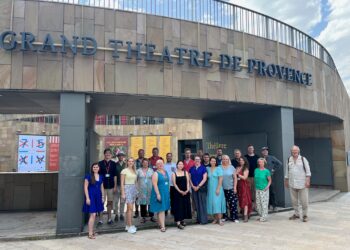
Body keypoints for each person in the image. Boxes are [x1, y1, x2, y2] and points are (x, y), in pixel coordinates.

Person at [284, 145, 311, 222]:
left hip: (302, 183)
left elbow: (308, 171)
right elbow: (287, 170)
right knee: (294, 201)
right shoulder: (289, 159)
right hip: (292, 183)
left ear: (298, 151)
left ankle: (305, 215)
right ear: (291, 152)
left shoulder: (303, 159)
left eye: (296, 151)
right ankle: (296, 214)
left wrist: (308, 180)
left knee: (304, 201)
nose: (294, 152)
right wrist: (286, 180)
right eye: (293, 151)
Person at [83, 163, 104, 239]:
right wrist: (87, 198)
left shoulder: (101, 176)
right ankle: (90, 233)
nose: (95, 168)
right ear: (92, 168)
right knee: (93, 214)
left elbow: (102, 187)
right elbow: (85, 187)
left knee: (95, 215)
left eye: (97, 167)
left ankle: (92, 231)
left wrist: (102, 197)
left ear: (99, 168)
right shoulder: (88, 176)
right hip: (91, 196)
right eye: (94, 167)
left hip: (98, 197)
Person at [150, 159, 171, 232]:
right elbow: (155, 185)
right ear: (156, 165)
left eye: (161, 163)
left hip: (165, 193)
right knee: (161, 210)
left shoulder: (165, 172)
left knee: (161, 209)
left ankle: (159, 224)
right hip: (159, 193)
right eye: (158, 164)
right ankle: (163, 226)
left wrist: (168, 192)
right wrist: (158, 194)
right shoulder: (155, 173)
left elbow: (168, 183)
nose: (160, 165)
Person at [98, 148, 117, 225]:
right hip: (102, 186)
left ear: (111, 155)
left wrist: (115, 186)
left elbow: (115, 175)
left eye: (109, 153)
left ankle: (109, 219)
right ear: (104, 154)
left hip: (111, 186)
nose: (108, 154)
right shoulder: (100, 163)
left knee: (110, 203)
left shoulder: (113, 163)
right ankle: (100, 220)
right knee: (101, 202)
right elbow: (98, 176)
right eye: (106, 153)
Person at [261, 146, 282, 211]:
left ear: (267, 151)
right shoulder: (261, 159)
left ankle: (274, 206)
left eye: (266, 150)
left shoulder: (271, 157)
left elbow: (280, 164)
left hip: (270, 177)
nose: (265, 151)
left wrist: (273, 169)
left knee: (272, 191)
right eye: (264, 150)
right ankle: (267, 205)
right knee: (264, 191)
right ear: (262, 152)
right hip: (263, 178)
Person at [171, 160, 192, 229]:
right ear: (177, 165)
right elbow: (174, 184)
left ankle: (182, 220)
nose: (180, 165)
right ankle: (178, 222)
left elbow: (188, 182)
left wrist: (187, 190)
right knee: (178, 207)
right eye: (179, 164)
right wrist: (180, 191)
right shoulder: (174, 173)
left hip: (186, 192)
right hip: (177, 192)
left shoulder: (186, 172)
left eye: (181, 164)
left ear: (183, 166)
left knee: (184, 206)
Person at [207, 156, 226, 225]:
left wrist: (218, 189)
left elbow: (221, 179)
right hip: (210, 189)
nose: (213, 162)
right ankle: (215, 219)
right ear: (210, 162)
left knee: (217, 203)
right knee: (212, 204)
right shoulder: (208, 169)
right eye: (212, 161)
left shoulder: (219, 169)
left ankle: (220, 219)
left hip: (217, 188)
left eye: (214, 161)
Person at [121, 158, 138, 234]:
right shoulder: (124, 171)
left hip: (133, 189)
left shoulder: (134, 171)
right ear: (127, 162)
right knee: (130, 208)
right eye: (129, 161)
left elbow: (135, 182)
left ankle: (128, 225)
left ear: (133, 162)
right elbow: (122, 183)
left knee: (130, 209)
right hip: (127, 189)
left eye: (132, 161)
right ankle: (130, 226)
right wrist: (123, 193)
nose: (131, 162)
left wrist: (136, 191)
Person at [189, 156, 208, 224]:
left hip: (201, 189)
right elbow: (189, 178)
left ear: (200, 160)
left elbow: (204, 178)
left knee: (202, 204)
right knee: (196, 204)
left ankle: (204, 220)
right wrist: (193, 186)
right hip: (194, 188)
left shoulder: (203, 168)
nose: (197, 160)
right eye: (196, 159)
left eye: (198, 159)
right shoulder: (191, 168)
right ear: (194, 160)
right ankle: (198, 219)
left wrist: (198, 186)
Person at [221, 155, 239, 223]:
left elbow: (235, 178)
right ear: (222, 160)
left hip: (231, 188)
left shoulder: (232, 168)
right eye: (223, 159)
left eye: (226, 159)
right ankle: (225, 217)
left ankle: (234, 217)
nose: (225, 160)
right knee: (223, 204)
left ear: (228, 160)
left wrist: (235, 187)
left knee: (233, 204)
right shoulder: (219, 167)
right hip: (222, 189)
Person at [136, 158, 155, 223]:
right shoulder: (138, 171)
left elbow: (154, 180)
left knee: (150, 203)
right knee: (142, 203)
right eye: (144, 162)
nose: (145, 164)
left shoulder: (151, 170)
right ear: (142, 163)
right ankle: (143, 217)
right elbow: (135, 180)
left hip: (150, 189)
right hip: (141, 190)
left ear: (148, 163)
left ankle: (152, 216)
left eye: (146, 163)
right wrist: (136, 189)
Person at [254, 158, 272, 222]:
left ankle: (264, 217)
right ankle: (261, 216)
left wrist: (267, 187)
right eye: (259, 162)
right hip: (257, 189)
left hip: (264, 189)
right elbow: (255, 180)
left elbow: (270, 181)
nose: (260, 163)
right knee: (258, 204)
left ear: (264, 163)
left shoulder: (266, 171)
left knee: (264, 204)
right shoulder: (256, 170)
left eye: (262, 162)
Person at [236, 157, 252, 222]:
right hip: (238, 185)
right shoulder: (237, 168)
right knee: (240, 200)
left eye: (242, 160)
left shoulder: (246, 169)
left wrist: (238, 174)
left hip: (244, 185)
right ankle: (244, 213)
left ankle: (245, 216)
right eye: (240, 160)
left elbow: (245, 177)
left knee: (245, 200)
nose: (241, 161)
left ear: (245, 161)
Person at [114, 152, 126, 222]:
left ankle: (121, 214)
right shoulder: (115, 164)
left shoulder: (126, 164)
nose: (121, 157)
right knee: (116, 201)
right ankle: (116, 214)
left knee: (122, 200)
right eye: (119, 156)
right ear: (118, 157)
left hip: (124, 185)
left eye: (122, 156)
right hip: (117, 184)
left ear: (123, 157)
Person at [134, 149, 145, 218]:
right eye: (140, 153)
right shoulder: (135, 161)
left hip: (145, 181)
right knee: (137, 197)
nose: (141, 154)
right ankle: (136, 211)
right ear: (138, 154)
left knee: (145, 196)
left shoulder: (146, 161)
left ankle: (144, 211)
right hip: (137, 181)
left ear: (144, 153)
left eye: (142, 153)